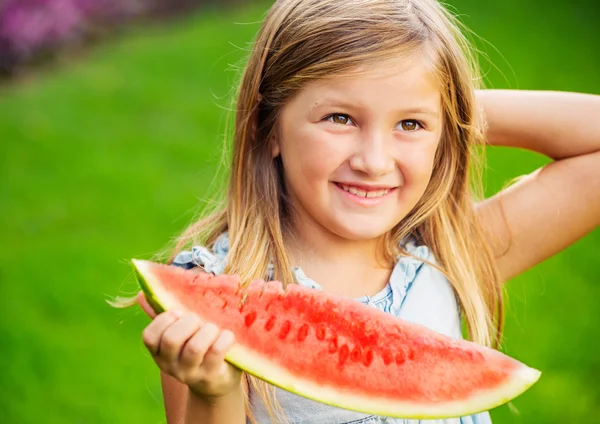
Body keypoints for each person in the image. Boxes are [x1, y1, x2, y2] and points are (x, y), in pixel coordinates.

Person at [133, 0, 600, 423]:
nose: (374, 161)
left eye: (409, 124)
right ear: (266, 126)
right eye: (341, 118)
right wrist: (213, 392)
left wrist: (449, 111)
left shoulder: (449, 256)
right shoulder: (217, 283)